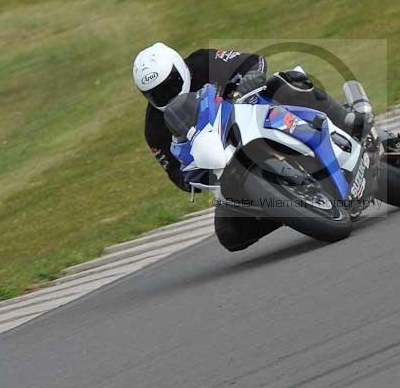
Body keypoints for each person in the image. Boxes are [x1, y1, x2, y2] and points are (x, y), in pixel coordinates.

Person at [132, 42, 363, 251]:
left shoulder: (203, 62)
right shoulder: (155, 128)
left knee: (284, 82)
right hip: (230, 162)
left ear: (179, 69)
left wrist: (250, 79)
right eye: (155, 93)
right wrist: (191, 174)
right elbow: (175, 173)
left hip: (256, 113)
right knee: (229, 234)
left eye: (170, 84)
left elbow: (253, 61)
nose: (166, 94)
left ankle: (348, 118)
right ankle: (292, 207)